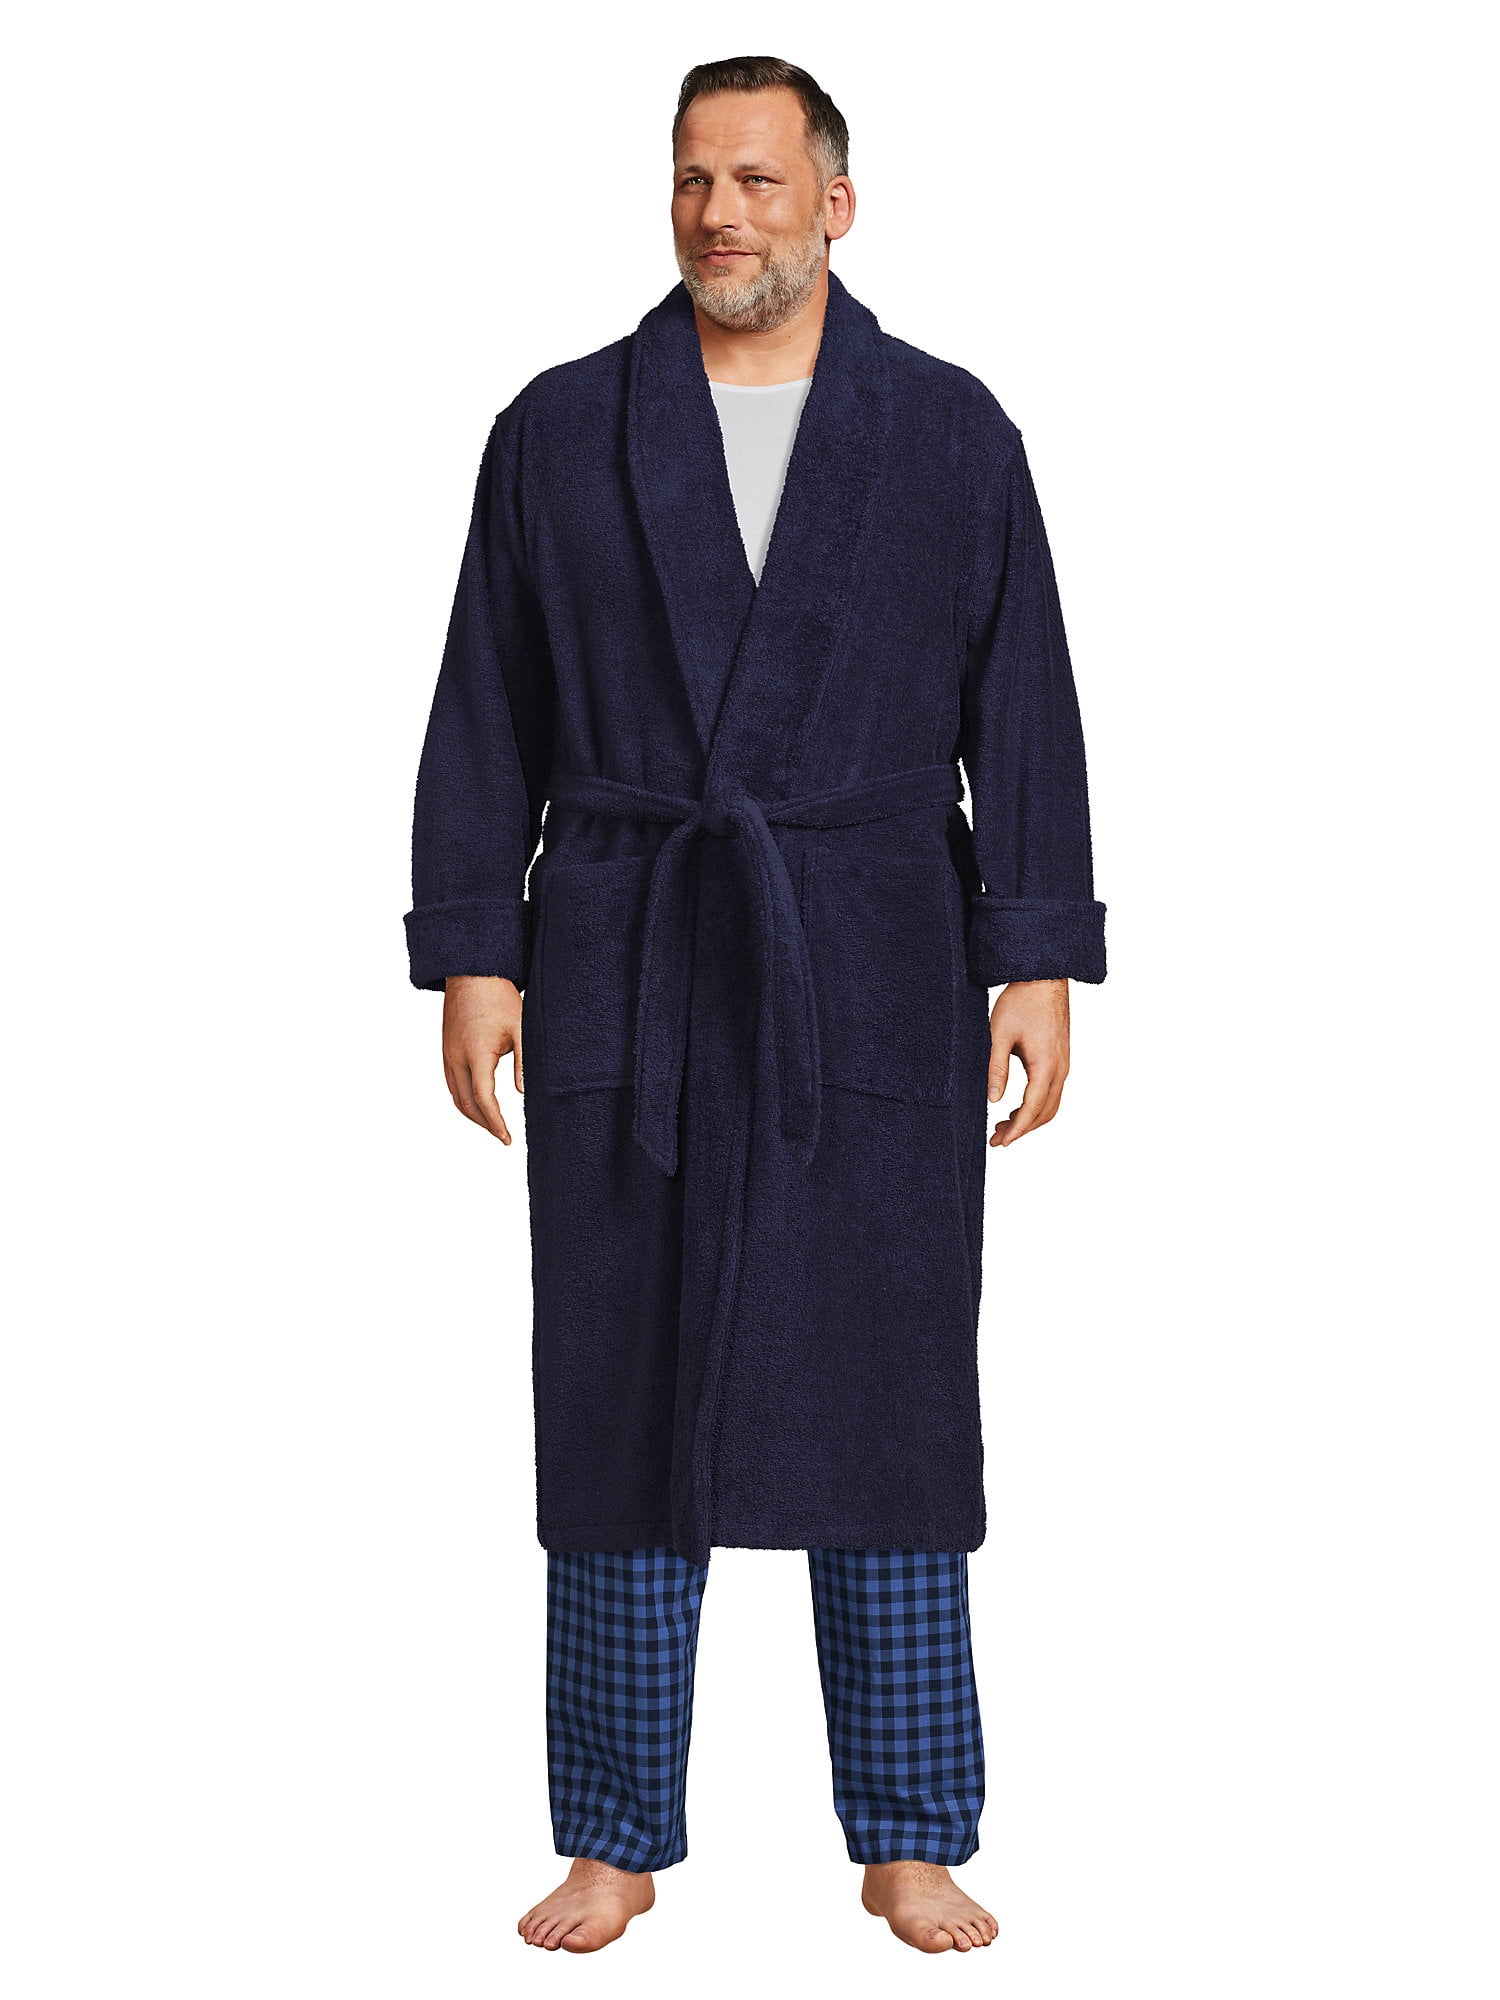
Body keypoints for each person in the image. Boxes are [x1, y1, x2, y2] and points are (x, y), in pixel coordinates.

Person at [404, 55, 1106, 1956]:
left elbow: (1023, 697)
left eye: (762, 181)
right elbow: (486, 699)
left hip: (865, 958)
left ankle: (910, 1833)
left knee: (890, 1396)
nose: (724, 214)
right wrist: (477, 948)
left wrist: (1035, 950)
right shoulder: (561, 430)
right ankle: (616, 1833)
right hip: (631, 953)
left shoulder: (946, 431)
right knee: (617, 1394)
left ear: (835, 204)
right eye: (695, 181)